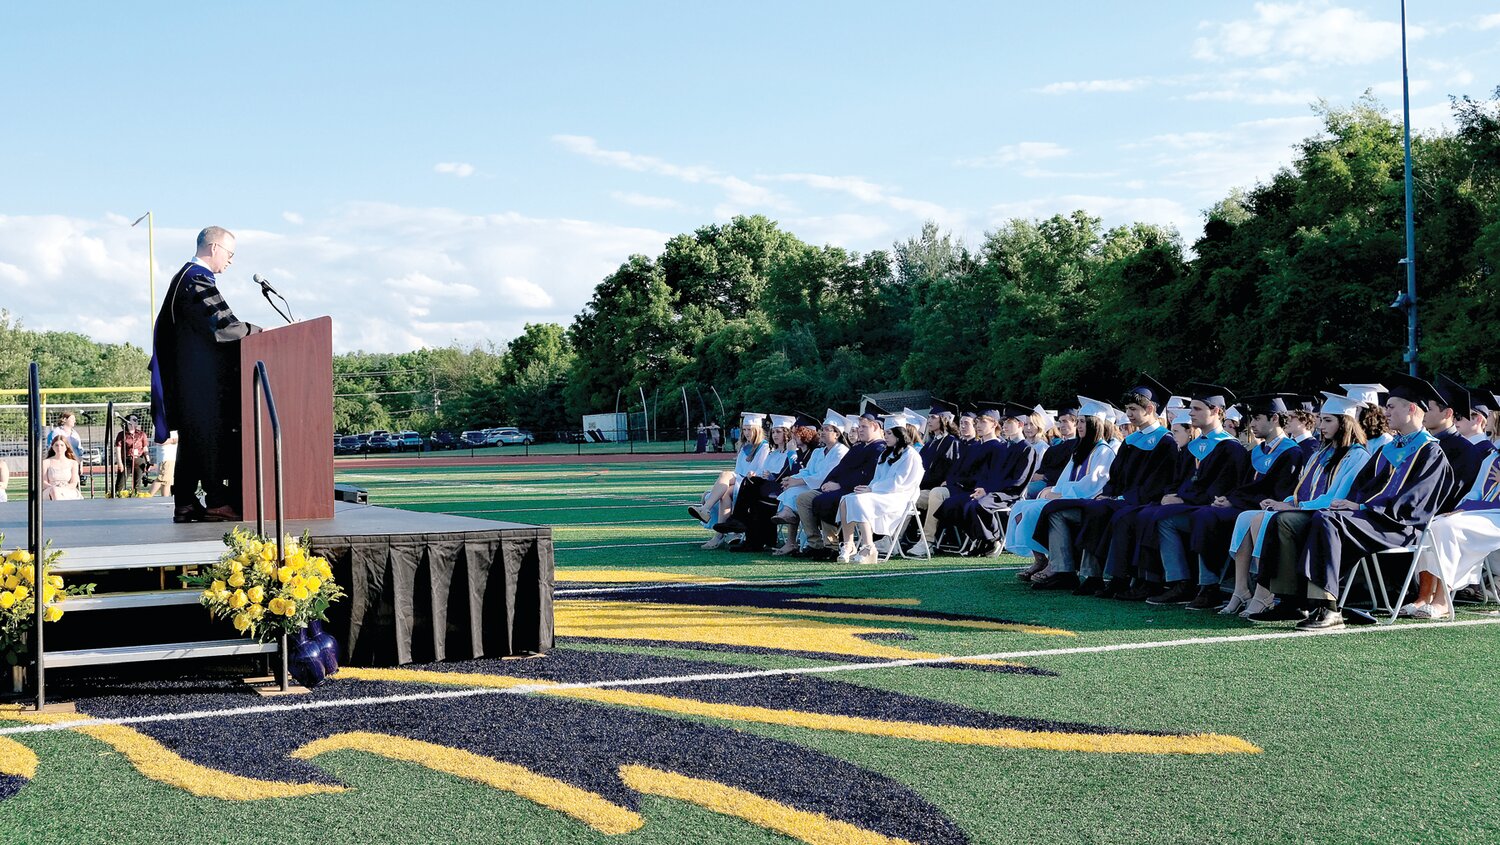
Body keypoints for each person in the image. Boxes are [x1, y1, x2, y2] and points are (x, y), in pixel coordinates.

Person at [1253, 373, 1456, 631]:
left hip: (1398, 526)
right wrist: (1350, 503)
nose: (1386, 411)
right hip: (1368, 518)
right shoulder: (1390, 448)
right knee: (1285, 521)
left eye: (1392, 406)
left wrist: (1361, 507)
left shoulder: (1430, 451)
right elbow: (1363, 486)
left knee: (1326, 519)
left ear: (1412, 408)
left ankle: (1327, 607)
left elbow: (1415, 504)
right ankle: (1291, 600)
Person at [150, 226, 260, 523]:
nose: (231, 261)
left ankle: (185, 503)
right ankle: (216, 501)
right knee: (208, 438)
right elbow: (223, 327)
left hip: (192, 381)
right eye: (230, 253)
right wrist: (260, 332)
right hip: (200, 382)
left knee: (195, 439)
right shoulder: (195, 279)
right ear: (214, 248)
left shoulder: (187, 278)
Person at [1226, 393, 1370, 617]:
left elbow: (1336, 498)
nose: (1321, 426)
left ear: (1346, 423)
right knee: (1247, 516)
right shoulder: (1320, 454)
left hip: (1329, 516)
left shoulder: (1357, 456)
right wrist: (1282, 502)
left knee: (1267, 518)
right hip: (1307, 509)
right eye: (1321, 420)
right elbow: (1301, 490)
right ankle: (1243, 590)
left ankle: (1267, 594)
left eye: (1328, 420)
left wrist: (1294, 508)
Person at [1035, 377, 1180, 595]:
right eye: (1127, 409)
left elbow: (1157, 483)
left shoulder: (1165, 441)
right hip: (1118, 499)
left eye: (1133, 409)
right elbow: (1115, 477)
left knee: (1101, 511)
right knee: (1060, 510)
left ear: (1150, 408)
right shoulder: (1131, 441)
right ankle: (1071, 573)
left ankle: (1111, 578)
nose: (1128, 414)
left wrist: (1121, 498)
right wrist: (1109, 494)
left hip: (1142, 501)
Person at [1174, 394, 1306, 609]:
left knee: (1208, 516)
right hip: (1246, 506)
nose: (1251, 424)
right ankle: (1240, 589)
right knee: (1213, 515)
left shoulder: (1291, 452)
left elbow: (1281, 492)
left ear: (1274, 419)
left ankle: (1229, 588)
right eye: (1251, 419)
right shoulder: (1257, 451)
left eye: (1257, 419)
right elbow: (1243, 486)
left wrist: (1237, 501)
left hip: (1268, 508)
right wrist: (1228, 499)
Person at [1017, 400, 1119, 590]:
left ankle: (1060, 570)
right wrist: (1054, 491)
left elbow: (1093, 484)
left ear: (1095, 424)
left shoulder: (1104, 451)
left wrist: (1060, 494)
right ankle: (1043, 560)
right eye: (1078, 421)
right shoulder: (1079, 451)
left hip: (1088, 503)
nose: (1079, 426)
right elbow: (1064, 479)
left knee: (1053, 511)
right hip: (1073, 500)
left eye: (1082, 422)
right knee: (1023, 506)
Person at [1404, 445, 1500, 618]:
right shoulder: (1492, 458)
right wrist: (1463, 508)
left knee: (1450, 528)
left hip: (1496, 518)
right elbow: (1476, 492)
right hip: (1482, 511)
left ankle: (1443, 600)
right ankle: (1425, 596)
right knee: (1434, 524)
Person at [836, 414, 925, 564]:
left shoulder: (911, 455)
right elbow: (877, 479)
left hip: (900, 497)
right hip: (881, 493)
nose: (885, 436)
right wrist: (868, 487)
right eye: (885, 433)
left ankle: (869, 547)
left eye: (889, 433)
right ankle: (849, 545)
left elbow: (900, 482)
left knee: (859, 500)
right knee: (846, 499)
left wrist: (872, 489)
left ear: (900, 434)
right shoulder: (886, 453)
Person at [801, 413, 885, 558]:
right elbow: (841, 467)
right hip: (841, 487)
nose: (860, 430)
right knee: (804, 498)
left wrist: (839, 485)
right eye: (859, 427)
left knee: (826, 500)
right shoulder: (858, 447)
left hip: (856, 489)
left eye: (864, 427)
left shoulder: (879, 448)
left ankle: (831, 546)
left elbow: (867, 475)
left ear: (875, 427)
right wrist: (829, 481)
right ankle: (815, 544)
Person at [771, 410, 851, 556]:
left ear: (837, 434)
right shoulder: (818, 452)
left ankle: (792, 518)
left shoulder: (841, 451)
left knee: (801, 496)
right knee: (792, 491)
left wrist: (798, 481)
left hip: (831, 487)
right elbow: (808, 471)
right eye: (822, 429)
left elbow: (826, 475)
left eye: (827, 430)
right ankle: (814, 543)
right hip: (814, 485)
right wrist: (793, 479)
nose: (823, 432)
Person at [688, 412, 769, 550]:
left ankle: (705, 510)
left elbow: (760, 472)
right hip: (738, 481)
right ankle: (721, 534)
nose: (746, 432)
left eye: (750, 429)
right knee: (724, 494)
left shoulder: (764, 447)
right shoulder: (744, 447)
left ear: (757, 430)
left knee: (725, 475)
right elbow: (738, 470)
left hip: (751, 484)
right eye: (744, 429)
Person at [114, 415, 151, 496]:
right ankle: (117, 499)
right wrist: (119, 463)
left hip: (139, 460)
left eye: (137, 420)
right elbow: (118, 449)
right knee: (120, 483)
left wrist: (148, 461)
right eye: (134, 420)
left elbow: (145, 448)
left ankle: (136, 499)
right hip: (126, 460)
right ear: (128, 422)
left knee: (137, 484)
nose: (136, 421)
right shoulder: (122, 434)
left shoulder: (141, 434)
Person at [41, 436, 82, 500]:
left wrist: (62, 488)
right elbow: (44, 482)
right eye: (56, 445)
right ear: (52, 447)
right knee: (55, 491)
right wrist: (54, 487)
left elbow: (73, 483)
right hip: (50, 490)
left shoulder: (73, 463)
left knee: (58, 493)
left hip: (68, 490)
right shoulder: (46, 462)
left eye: (62, 445)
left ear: (66, 447)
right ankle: (59, 509)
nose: (59, 447)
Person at [148, 430, 179, 498]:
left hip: (172, 457)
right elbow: (160, 441)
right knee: (161, 479)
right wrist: (174, 440)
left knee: (167, 481)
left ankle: (165, 499)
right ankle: (147, 496)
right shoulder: (163, 426)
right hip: (166, 457)